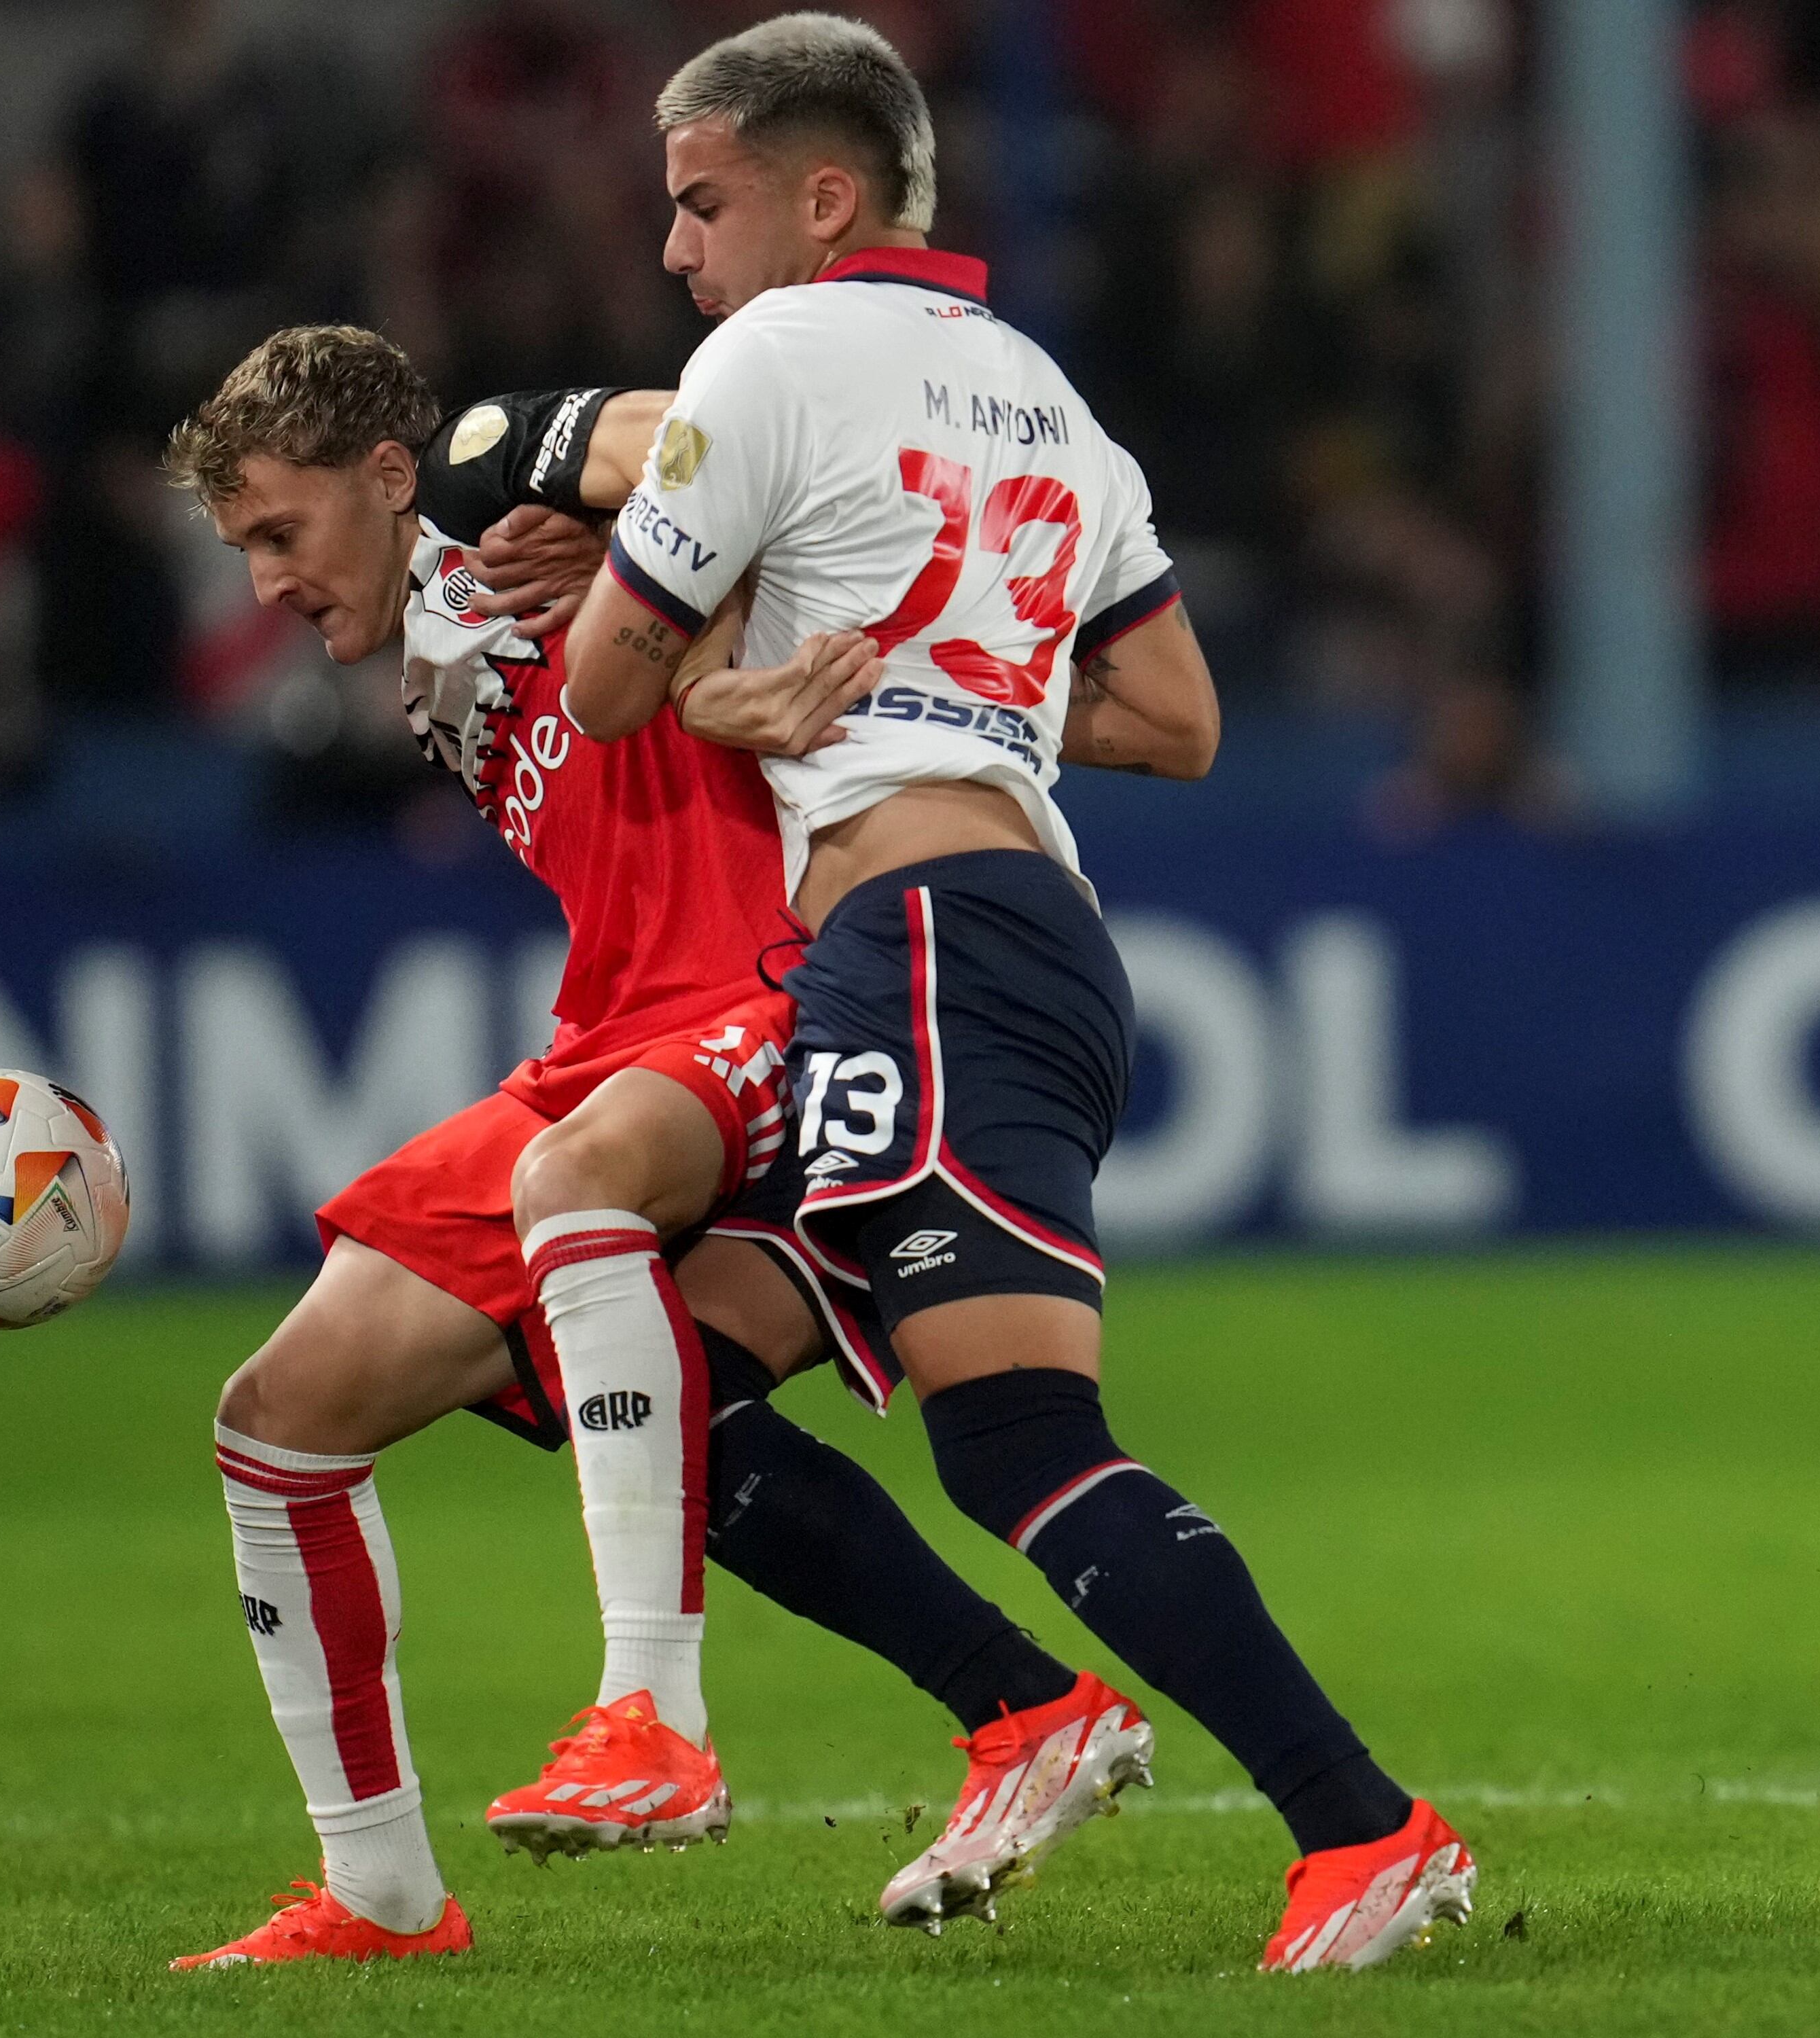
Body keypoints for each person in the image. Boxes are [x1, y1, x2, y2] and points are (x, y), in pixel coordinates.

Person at [558, 13, 1474, 1972]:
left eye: (698, 203)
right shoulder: (1044, 398)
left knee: (1016, 1442)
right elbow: (1176, 717)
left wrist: (737, 652)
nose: (675, 253)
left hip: (926, 948)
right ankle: (1023, 1709)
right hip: (985, 938)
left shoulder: (770, 357)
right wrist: (944, 678)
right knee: (655, 1383)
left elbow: (603, 691)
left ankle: (1362, 1828)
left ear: (824, 195)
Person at [156, 324, 1128, 1965]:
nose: (261, 584)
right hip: (612, 1032)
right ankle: (383, 1894)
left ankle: (649, 1720)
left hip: (783, 984)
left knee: (582, 1193)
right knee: (281, 1417)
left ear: (391, 478)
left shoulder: (503, 509)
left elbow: (718, 430)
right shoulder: (427, 631)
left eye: (278, 531)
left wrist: (615, 522)